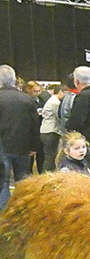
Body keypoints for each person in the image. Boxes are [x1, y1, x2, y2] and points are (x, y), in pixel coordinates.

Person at [0, 65, 40, 210]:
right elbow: (35, 125)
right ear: (14, 80)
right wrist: (35, 146)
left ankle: (4, 214)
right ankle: (22, 210)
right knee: (22, 180)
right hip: (23, 147)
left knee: (3, 182)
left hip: (2, 147)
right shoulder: (27, 100)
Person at [40, 84, 68, 172]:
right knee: (50, 157)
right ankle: (47, 176)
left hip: (47, 131)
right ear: (60, 92)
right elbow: (60, 117)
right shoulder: (55, 103)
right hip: (51, 132)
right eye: (65, 94)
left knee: (49, 156)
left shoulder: (52, 100)